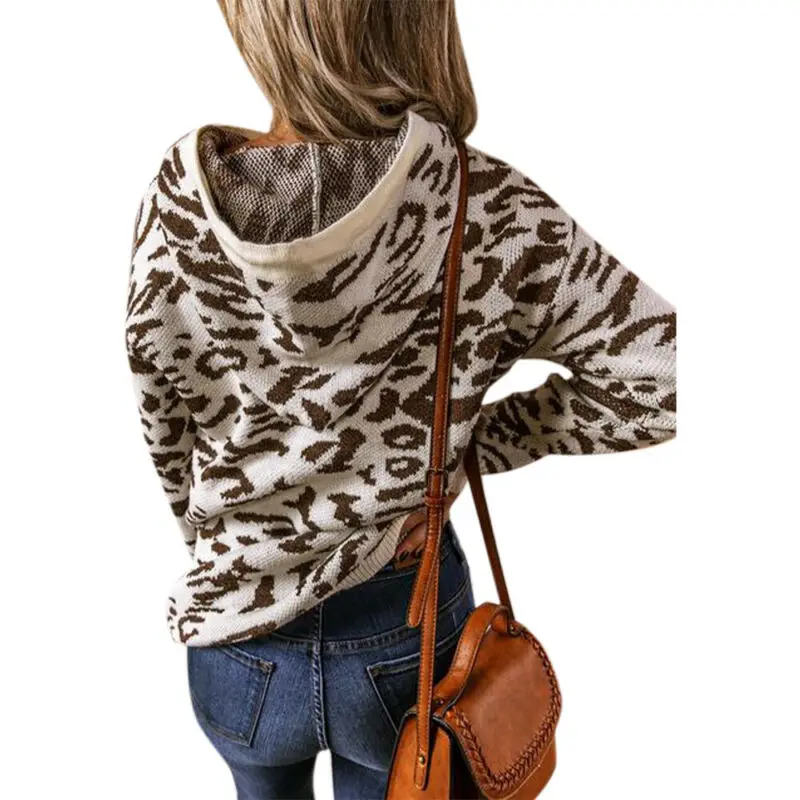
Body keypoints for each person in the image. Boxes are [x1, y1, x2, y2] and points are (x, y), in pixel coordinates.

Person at [124, 1, 677, 797]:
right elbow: (660, 375)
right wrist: (469, 445)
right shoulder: (486, 205)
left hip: (238, 634)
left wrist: (235, 542)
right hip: (403, 633)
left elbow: (165, 424)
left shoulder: (174, 205)